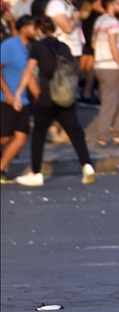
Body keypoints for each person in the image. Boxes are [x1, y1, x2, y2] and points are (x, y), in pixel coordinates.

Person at [12, 16, 97, 187]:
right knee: (75, 132)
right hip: (65, 96)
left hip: (47, 98)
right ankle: (86, 165)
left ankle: (36, 173)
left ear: (38, 30)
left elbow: (29, 70)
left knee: (39, 134)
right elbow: (74, 68)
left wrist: (19, 92)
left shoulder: (37, 47)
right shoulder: (63, 46)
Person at [91, 0, 119, 147]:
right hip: (111, 66)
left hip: (100, 64)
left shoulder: (99, 21)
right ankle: (103, 135)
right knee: (110, 102)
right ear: (112, 5)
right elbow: (113, 46)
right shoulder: (114, 23)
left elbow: (94, 43)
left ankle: (118, 132)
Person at [0, 16, 36, 183]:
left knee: (21, 136)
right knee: (5, 137)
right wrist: (7, 93)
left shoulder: (31, 48)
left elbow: (30, 76)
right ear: (23, 28)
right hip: (5, 99)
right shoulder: (9, 46)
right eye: (33, 27)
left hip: (23, 101)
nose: (36, 31)